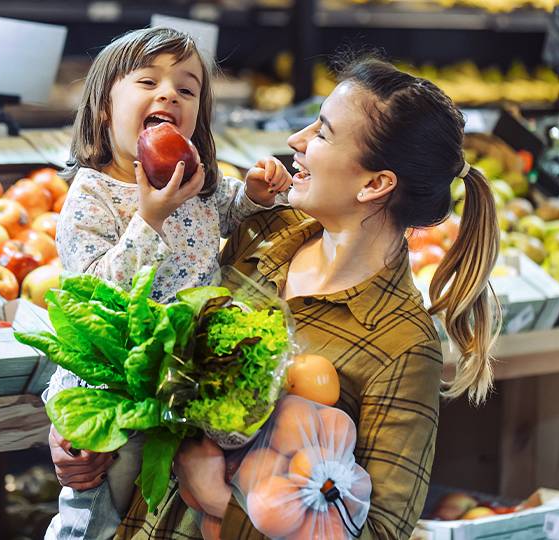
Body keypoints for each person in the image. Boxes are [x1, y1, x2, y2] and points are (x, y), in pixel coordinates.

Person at [59, 53, 501, 540]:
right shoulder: (264, 230)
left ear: (375, 184)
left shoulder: (402, 346)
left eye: (323, 132)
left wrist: (222, 503)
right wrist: (82, 434)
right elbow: (155, 329)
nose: (297, 140)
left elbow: (380, 532)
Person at [44, 26, 291, 540]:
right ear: (104, 109)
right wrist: (149, 220)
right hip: (118, 388)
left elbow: (229, 212)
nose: (168, 94)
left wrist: (256, 194)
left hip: (182, 384)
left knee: (167, 514)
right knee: (103, 508)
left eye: (186, 88)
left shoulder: (198, 181)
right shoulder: (94, 195)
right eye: (147, 82)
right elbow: (93, 293)